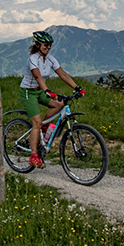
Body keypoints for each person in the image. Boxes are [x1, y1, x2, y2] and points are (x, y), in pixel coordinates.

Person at [18, 30, 84, 167]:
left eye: (50, 45)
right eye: (45, 45)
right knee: (36, 122)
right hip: (28, 92)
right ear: (37, 45)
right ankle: (34, 156)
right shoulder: (32, 59)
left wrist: (77, 87)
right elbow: (37, 77)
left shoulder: (50, 59)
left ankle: (42, 128)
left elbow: (63, 74)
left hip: (40, 91)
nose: (48, 47)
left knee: (59, 104)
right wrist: (47, 90)